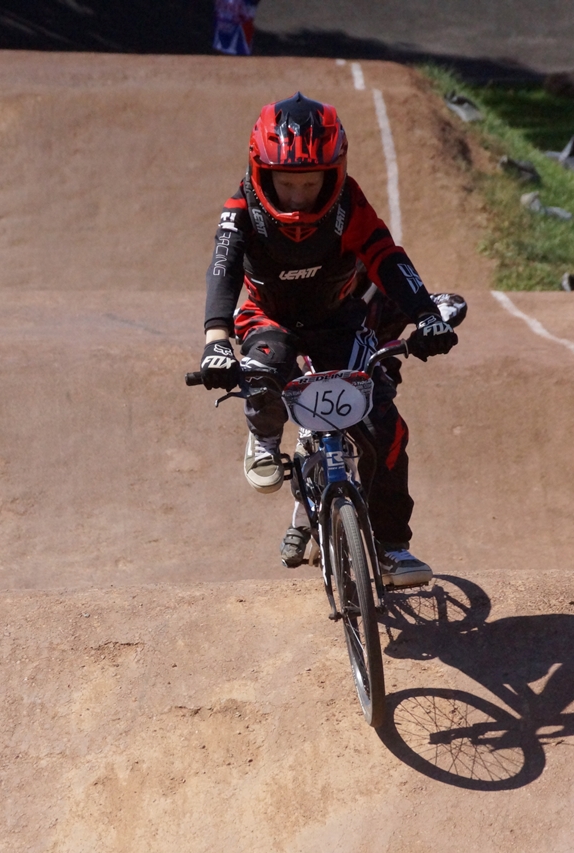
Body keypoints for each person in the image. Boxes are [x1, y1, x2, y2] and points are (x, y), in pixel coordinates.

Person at [198, 93, 458, 587]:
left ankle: (392, 547)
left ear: (333, 175)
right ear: (261, 173)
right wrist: (216, 341)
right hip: (268, 318)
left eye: (310, 183)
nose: (298, 196)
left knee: (385, 429)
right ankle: (264, 434)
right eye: (285, 183)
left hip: (337, 319)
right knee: (265, 371)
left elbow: (387, 257)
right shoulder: (241, 208)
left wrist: (427, 316)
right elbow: (222, 270)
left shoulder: (349, 205)